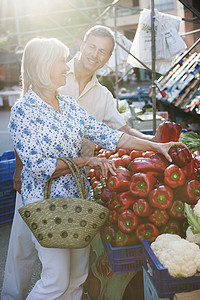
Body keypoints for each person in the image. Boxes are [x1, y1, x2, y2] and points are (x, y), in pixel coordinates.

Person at [1, 27, 180, 300]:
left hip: (78, 202)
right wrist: (86, 160)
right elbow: (37, 166)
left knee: (77, 279)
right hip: (45, 205)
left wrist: (156, 146)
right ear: (44, 65)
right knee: (55, 281)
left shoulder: (70, 105)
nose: (66, 65)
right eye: (61, 61)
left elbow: (112, 136)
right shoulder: (24, 110)